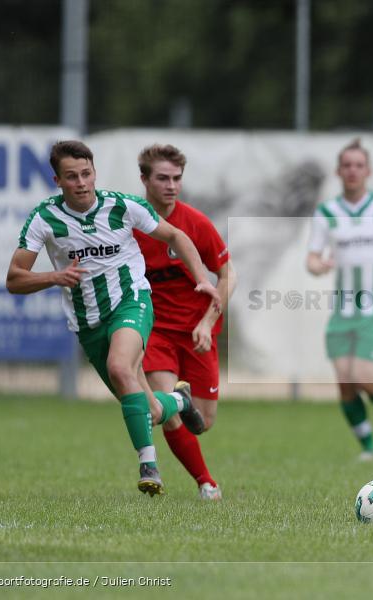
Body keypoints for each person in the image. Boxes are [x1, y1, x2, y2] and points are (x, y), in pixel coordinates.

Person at [6, 140, 220, 497]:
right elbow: (14, 279)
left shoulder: (121, 206)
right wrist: (54, 276)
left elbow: (176, 235)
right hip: (88, 324)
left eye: (86, 173)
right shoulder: (45, 218)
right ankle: (180, 400)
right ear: (58, 181)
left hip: (131, 304)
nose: (81, 183)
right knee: (150, 410)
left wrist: (201, 278)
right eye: (71, 176)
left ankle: (149, 465)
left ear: (95, 173)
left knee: (120, 368)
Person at [133, 144, 237, 501]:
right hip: (155, 330)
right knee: (167, 413)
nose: (172, 186)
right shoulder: (130, 225)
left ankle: (181, 399)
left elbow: (229, 275)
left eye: (177, 178)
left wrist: (207, 321)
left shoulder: (195, 223)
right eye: (163, 178)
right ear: (144, 179)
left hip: (196, 332)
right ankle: (206, 483)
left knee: (203, 422)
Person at [306, 139, 373, 461]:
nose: (352, 171)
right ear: (338, 171)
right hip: (343, 308)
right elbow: (312, 258)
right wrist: (319, 266)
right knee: (345, 381)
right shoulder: (326, 213)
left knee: (363, 375)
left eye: (358, 165)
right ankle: (369, 448)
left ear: (368, 171)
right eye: (347, 165)